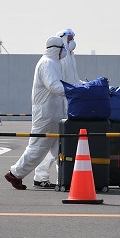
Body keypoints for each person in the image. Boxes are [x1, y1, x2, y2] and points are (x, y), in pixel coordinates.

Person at [5, 35, 68, 190]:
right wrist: (73, 91)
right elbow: (54, 86)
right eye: (62, 49)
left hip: (53, 115)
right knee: (37, 148)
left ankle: (66, 180)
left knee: (60, 149)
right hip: (46, 115)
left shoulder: (54, 63)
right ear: (56, 50)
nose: (64, 52)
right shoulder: (47, 63)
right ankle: (15, 173)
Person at [32, 29, 81, 189]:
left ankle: (48, 177)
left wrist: (84, 85)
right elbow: (62, 83)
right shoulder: (60, 59)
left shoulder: (70, 57)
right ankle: (60, 178)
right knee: (51, 145)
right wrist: (76, 90)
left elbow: (73, 80)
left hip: (62, 105)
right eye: (70, 38)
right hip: (58, 106)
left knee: (54, 145)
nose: (73, 41)